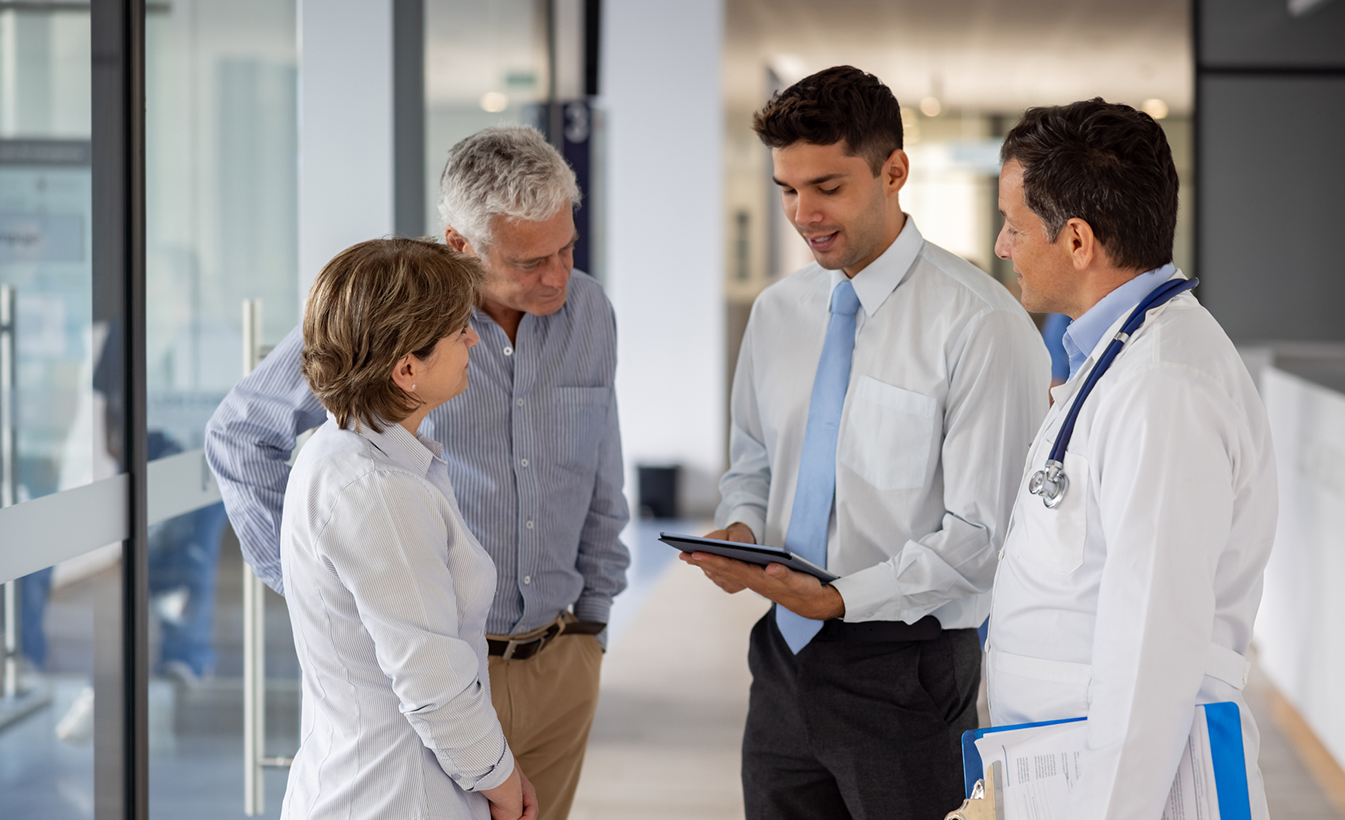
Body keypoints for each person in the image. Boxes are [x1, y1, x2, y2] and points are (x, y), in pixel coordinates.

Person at [205, 126, 628, 820]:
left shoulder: (589, 311)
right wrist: (321, 586)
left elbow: (600, 470)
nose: (556, 276)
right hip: (434, 673)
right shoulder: (392, 314)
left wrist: (594, 626)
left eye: (566, 248)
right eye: (527, 261)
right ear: (460, 243)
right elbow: (242, 435)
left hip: (560, 657)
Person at [681, 65, 1049, 820]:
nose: (802, 213)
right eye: (786, 189)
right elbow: (751, 462)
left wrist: (842, 597)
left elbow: (983, 536)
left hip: (905, 669)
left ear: (894, 172)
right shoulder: (778, 312)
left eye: (827, 186)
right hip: (781, 658)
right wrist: (742, 531)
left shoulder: (980, 324)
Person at [985, 99, 1276, 819]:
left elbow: (1153, 645)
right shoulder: (1124, 359)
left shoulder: (1164, 387)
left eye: (1014, 227)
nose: (1000, 246)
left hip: (1126, 788)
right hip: (1065, 762)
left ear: (1077, 240)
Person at [280, 238, 534, 820]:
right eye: (456, 331)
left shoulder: (347, 454)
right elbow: (432, 680)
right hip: (395, 796)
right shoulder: (378, 493)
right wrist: (501, 779)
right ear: (406, 369)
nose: (473, 338)